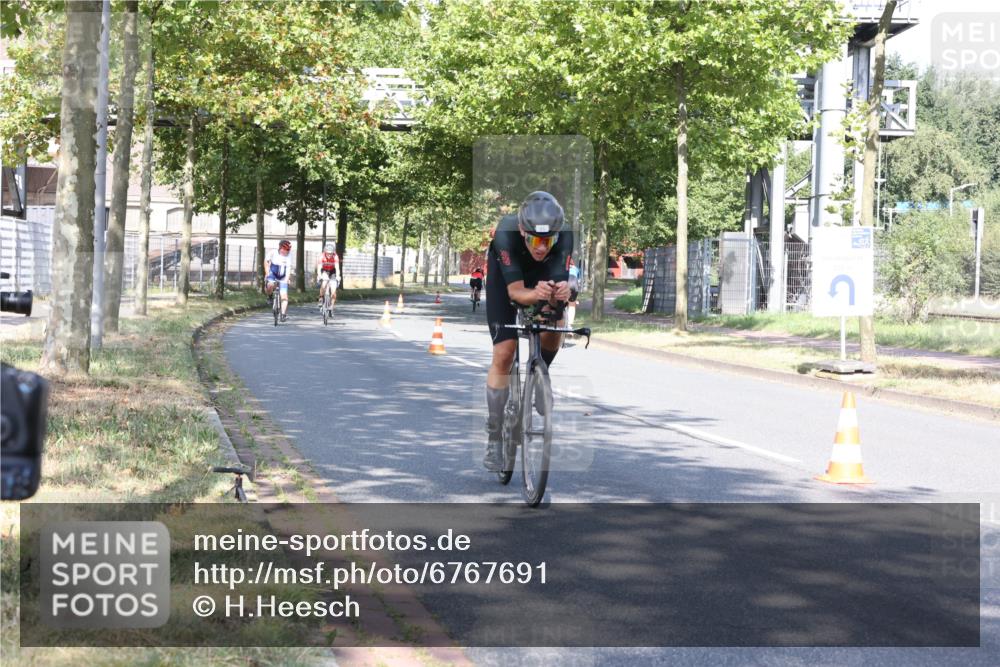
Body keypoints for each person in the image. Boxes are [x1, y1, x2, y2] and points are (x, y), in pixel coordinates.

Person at [483, 191, 574, 472]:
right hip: (506, 280)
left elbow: (558, 292)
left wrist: (563, 292)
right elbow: (515, 293)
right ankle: (494, 435)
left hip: (541, 277)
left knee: (554, 319)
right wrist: (535, 294)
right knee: (504, 352)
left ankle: (540, 376)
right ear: (523, 231)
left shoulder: (564, 235)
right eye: (535, 240)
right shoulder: (506, 233)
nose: (541, 248)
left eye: (548, 241)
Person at [265, 240, 293, 322]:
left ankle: (283, 315)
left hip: (283, 277)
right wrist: (267, 272)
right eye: (285, 250)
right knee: (270, 285)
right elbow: (266, 261)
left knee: (284, 297)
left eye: (288, 250)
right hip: (273, 274)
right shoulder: (273, 253)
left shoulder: (289, 256)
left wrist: (287, 279)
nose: (286, 252)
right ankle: (270, 296)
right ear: (280, 248)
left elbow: (288, 268)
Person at [316, 242, 340, 310]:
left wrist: (338, 276)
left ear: (333, 253)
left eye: (331, 253)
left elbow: (337, 268)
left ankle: (331, 306)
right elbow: (319, 268)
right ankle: (321, 298)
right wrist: (319, 275)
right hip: (324, 271)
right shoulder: (322, 256)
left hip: (333, 271)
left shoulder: (335, 257)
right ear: (325, 252)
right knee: (324, 283)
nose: (329, 255)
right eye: (328, 253)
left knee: (333, 290)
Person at [565, 258, 580, 331]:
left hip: (566, 283)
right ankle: (569, 326)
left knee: (562, 303)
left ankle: (561, 323)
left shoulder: (562, 268)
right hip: (574, 284)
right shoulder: (576, 269)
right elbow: (578, 281)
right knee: (572, 305)